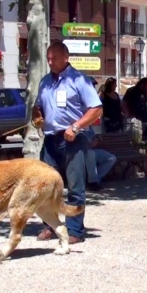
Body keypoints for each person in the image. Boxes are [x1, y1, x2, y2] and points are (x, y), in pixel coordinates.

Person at [34, 41, 102, 243]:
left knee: (75, 187)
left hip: (73, 139)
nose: (49, 61)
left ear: (66, 57)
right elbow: (37, 106)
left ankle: (75, 231)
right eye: (48, 58)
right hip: (50, 140)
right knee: (45, 186)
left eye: (53, 57)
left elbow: (96, 109)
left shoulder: (79, 80)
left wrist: (76, 126)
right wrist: (37, 116)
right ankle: (50, 226)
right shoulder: (44, 82)